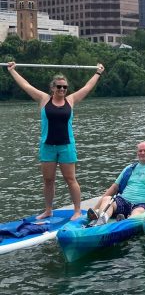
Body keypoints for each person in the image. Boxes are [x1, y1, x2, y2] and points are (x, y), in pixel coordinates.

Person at [7, 61, 104, 220]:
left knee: (70, 179)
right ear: (52, 88)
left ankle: (77, 210)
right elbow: (26, 86)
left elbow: (87, 87)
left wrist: (98, 72)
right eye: (59, 87)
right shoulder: (44, 99)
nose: (62, 89)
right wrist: (12, 71)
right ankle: (48, 210)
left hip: (66, 146)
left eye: (64, 87)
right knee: (48, 180)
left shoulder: (71, 100)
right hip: (48, 146)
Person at [89, 141, 145, 224]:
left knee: (138, 211)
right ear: (137, 153)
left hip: (144, 204)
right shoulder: (129, 168)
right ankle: (102, 219)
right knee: (107, 199)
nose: (142, 153)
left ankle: (125, 222)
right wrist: (96, 207)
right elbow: (114, 187)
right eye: (140, 151)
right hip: (124, 201)